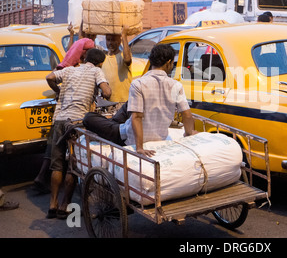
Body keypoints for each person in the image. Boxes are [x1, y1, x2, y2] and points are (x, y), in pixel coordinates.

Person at [83, 45, 197, 156]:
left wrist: (139, 147)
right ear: (168, 63)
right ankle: (112, 121)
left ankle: (112, 122)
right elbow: (186, 114)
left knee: (89, 117)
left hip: (125, 137)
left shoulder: (139, 84)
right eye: (172, 63)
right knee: (128, 106)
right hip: (158, 137)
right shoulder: (176, 86)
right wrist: (188, 133)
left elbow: (137, 117)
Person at [45, 48, 111, 219]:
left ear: (84, 58)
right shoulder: (97, 71)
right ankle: (65, 205)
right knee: (73, 166)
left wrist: (58, 91)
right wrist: (101, 93)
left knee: (57, 164)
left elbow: (50, 77)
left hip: (60, 120)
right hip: (77, 124)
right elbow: (107, 92)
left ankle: (52, 204)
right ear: (101, 63)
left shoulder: (70, 69)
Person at [102, 25, 132, 107]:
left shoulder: (123, 56)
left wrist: (124, 37)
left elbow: (127, 60)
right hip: (107, 104)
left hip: (123, 102)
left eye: (113, 40)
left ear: (119, 41)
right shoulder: (103, 57)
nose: (110, 43)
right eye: (108, 40)